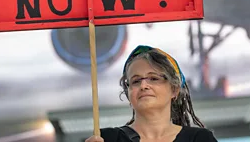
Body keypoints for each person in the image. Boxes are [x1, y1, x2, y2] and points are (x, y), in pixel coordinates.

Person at [85, 45, 218, 142]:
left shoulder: (200, 139)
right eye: (136, 81)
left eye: (153, 78)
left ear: (174, 89)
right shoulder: (107, 139)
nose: (143, 86)